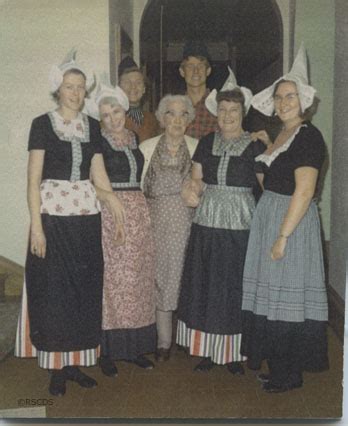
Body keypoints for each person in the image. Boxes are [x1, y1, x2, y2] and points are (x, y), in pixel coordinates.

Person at [14, 50, 125, 397]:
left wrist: (115, 203)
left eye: (80, 88)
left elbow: (99, 176)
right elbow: (33, 180)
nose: (75, 93)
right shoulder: (42, 124)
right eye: (68, 87)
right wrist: (37, 227)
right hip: (52, 218)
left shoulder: (92, 127)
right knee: (54, 294)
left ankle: (75, 363)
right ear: (58, 90)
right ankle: (56, 369)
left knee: (82, 292)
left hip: (85, 221)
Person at [241, 43, 329, 392]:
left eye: (290, 95)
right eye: (279, 97)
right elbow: (269, 182)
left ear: (303, 100)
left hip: (291, 222)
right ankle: (280, 368)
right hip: (272, 216)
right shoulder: (282, 135)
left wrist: (282, 236)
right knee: (274, 299)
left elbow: (304, 191)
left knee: (287, 300)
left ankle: (289, 375)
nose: (283, 101)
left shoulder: (308, 136)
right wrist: (265, 151)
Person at [176, 69, 266, 374]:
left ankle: (235, 354)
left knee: (234, 289)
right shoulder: (205, 143)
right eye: (223, 109)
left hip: (241, 227)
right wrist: (190, 189)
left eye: (234, 110)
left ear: (243, 112)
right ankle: (210, 352)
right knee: (208, 288)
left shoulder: (255, 146)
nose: (227, 115)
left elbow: (267, 187)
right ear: (216, 112)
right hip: (208, 225)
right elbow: (197, 179)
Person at [88, 80, 157, 376]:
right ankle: (108, 352)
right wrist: (115, 212)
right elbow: (95, 183)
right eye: (105, 115)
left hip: (138, 210)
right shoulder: (97, 143)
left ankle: (133, 348)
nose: (112, 118)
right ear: (100, 118)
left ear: (123, 111)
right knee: (114, 282)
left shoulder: (132, 137)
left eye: (116, 111)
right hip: (112, 211)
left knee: (138, 279)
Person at [140, 95, 198, 361]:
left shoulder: (198, 147)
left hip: (188, 224)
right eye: (171, 114)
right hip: (155, 223)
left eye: (182, 114)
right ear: (162, 119)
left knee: (186, 279)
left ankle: (187, 339)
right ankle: (163, 342)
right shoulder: (146, 148)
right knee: (160, 279)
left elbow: (206, 186)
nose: (177, 120)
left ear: (189, 119)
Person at [179, 40, 217, 139]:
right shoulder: (175, 105)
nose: (196, 71)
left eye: (200, 66)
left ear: (208, 71)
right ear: (182, 72)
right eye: (190, 66)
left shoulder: (219, 104)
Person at [118, 56, 159, 142]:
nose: (133, 87)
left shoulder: (153, 120)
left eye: (138, 82)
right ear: (119, 88)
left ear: (144, 89)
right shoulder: (110, 119)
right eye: (127, 82)